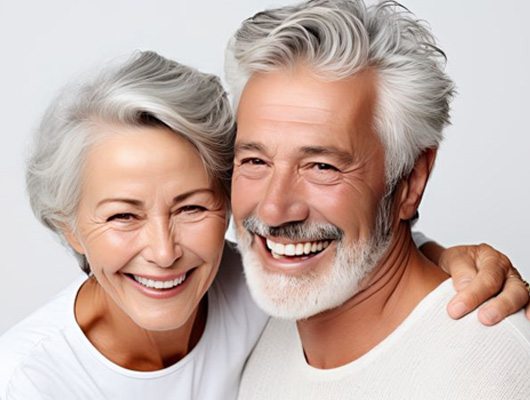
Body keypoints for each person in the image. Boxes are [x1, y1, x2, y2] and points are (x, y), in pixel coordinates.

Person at [0, 49, 526, 400]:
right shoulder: (28, 380)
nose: (163, 252)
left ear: (226, 203)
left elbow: (358, 254)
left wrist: (445, 257)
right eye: (122, 215)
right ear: (67, 226)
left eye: (190, 208)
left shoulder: (261, 286)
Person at [225, 0, 530, 398]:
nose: (273, 209)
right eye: (255, 160)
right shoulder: (247, 319)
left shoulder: (490, 372)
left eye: (322, 166)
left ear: (411, 180)